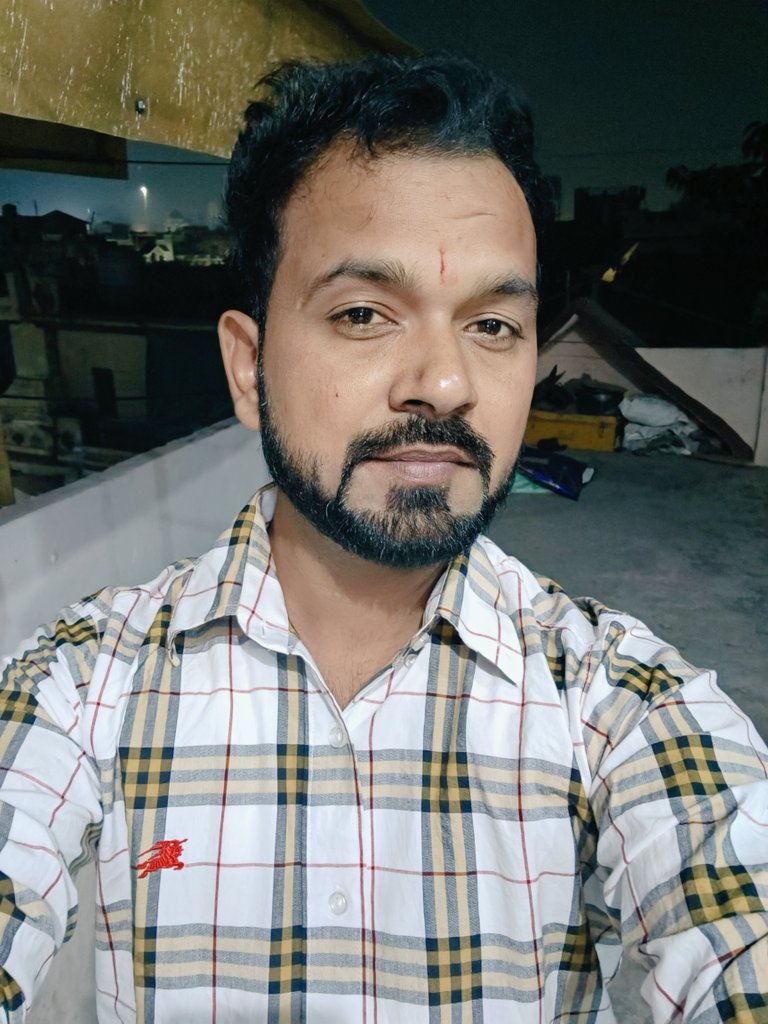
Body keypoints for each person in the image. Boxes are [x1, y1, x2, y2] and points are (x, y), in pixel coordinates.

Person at [1, 54, 766, 1024]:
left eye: (494, 324)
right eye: (364, 313)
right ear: (248, 368)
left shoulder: (618, 703)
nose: (444, 383)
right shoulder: (82, 687)